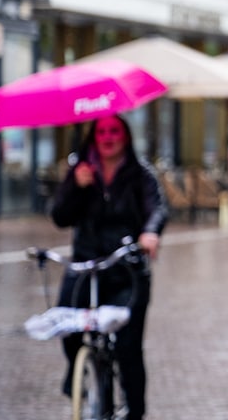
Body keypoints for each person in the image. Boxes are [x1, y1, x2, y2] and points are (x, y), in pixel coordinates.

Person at [51, 114, 168, 420]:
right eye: (101, 131)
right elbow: (60, 216)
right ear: (93, 137)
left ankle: (135, 412)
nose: (108, 137)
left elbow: (157, 209)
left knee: (128, 348)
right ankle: (76, 369)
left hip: (126, 268)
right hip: (86, 265)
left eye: (114, 131)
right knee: (67, 322)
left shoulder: (141, 173)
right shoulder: (81, 170)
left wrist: (150, 233)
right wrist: (76, 187)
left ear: (125, 136)